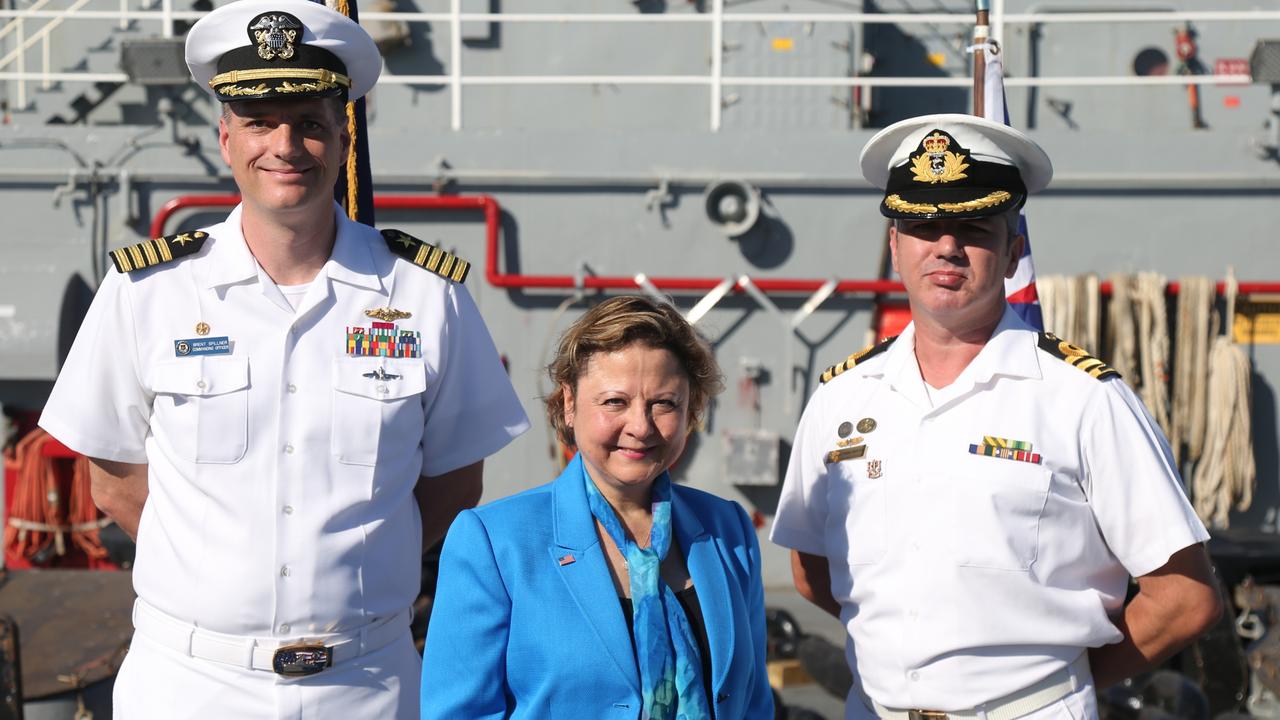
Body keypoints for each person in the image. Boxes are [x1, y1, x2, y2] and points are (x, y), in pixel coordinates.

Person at [37, 1, 529, 717]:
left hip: (366, 685)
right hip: (190, 684)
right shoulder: (149, 291)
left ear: (342, 138)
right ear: (226, 137)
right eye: (262, 122)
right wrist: (222, 576)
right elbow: (114, 486)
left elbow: (453, 486)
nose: (286, 146)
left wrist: (351, 573)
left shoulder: (424, 295)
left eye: (309, 123)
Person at [771, 114, 1221, 720]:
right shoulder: (842, 398)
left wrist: (1066, 683)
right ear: (895, 246)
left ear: (1013, 252)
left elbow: (1184, 598)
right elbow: (813, 572)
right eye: (924, 226)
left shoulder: (1083, 399)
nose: (948, 246)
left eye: (975, 227)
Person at [420, 295, 773, 719]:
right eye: (614, 402)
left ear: (691, 409)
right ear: (569, 404)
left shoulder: (727, 529)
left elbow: (751, 702)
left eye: (664, 403)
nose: (640, 427)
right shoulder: (494, 543)